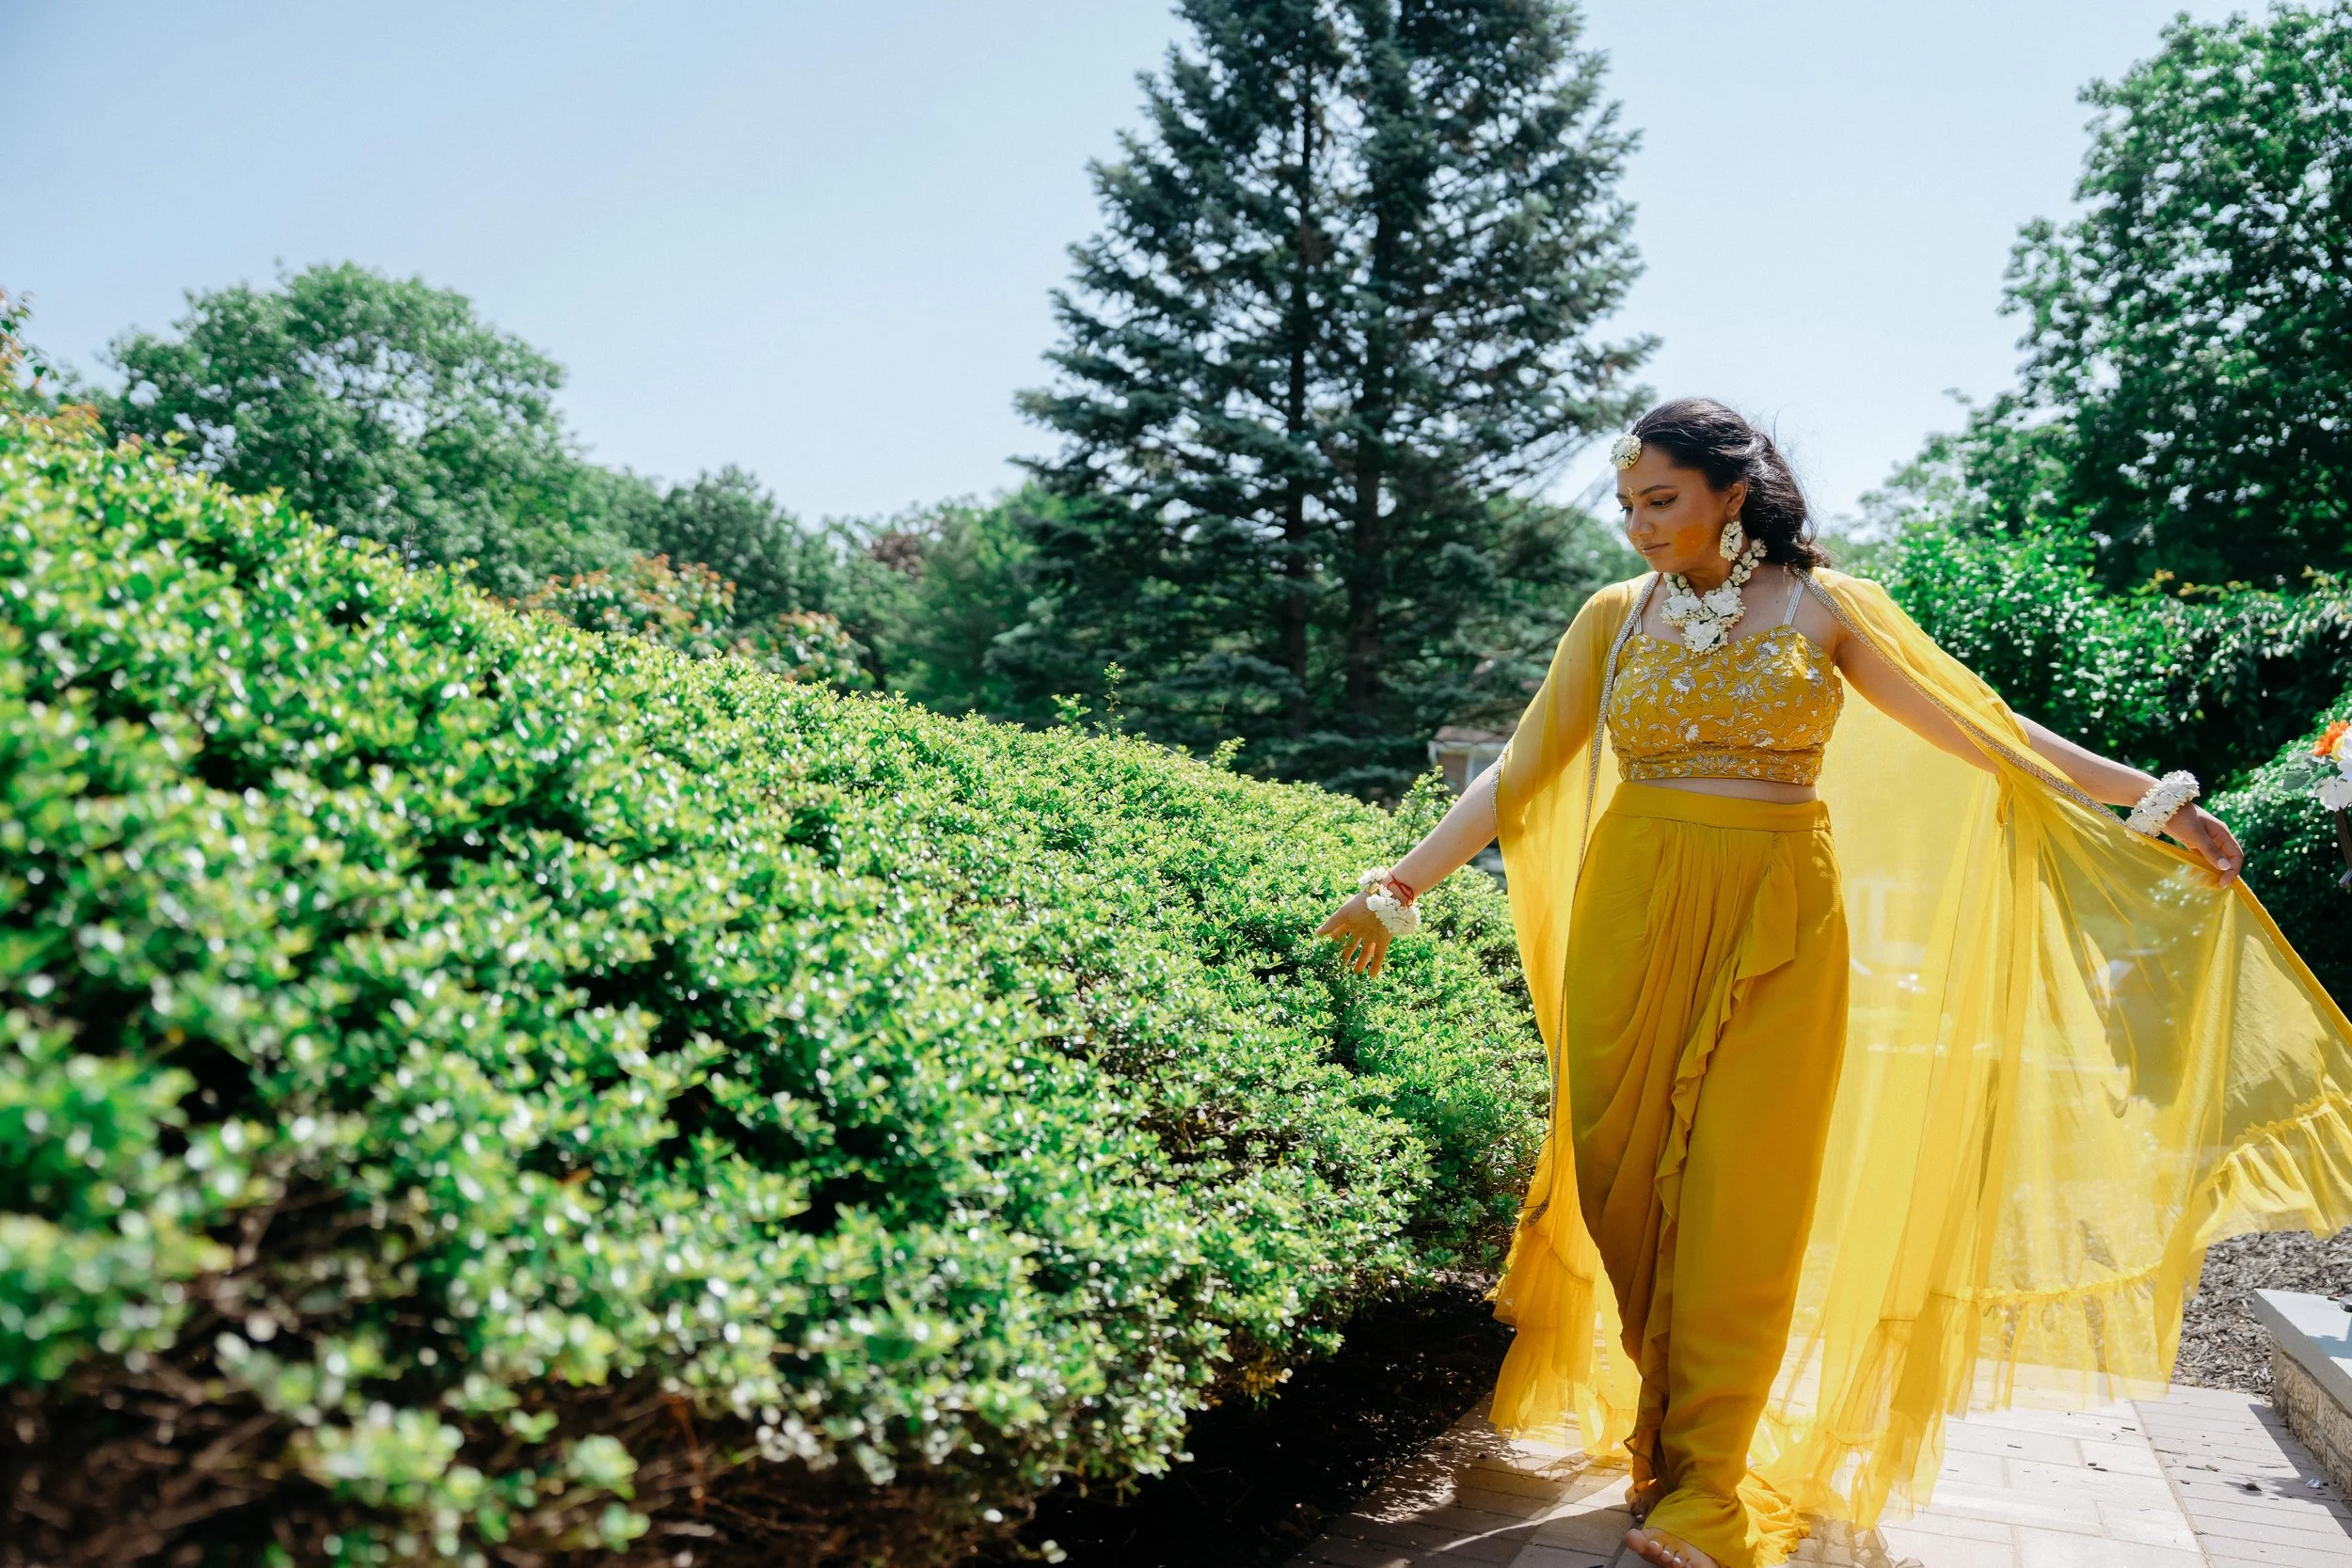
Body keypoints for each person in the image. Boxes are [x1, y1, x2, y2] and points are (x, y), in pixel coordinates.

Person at [1315, 398, 2351, 1568]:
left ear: (1731, 492)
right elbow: (1520, 768)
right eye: (1627, 506)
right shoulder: (1613, 618)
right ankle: (1669, 1427)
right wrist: (1397, 884)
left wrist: (2151, 802)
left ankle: (1711, 1483)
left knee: (1742, 1211)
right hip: (1634, 918)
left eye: (1661, 500)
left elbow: (1986, 726)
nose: (1639, 526)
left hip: (1780, 926)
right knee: (1619, 1194)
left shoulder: (1826, 606)